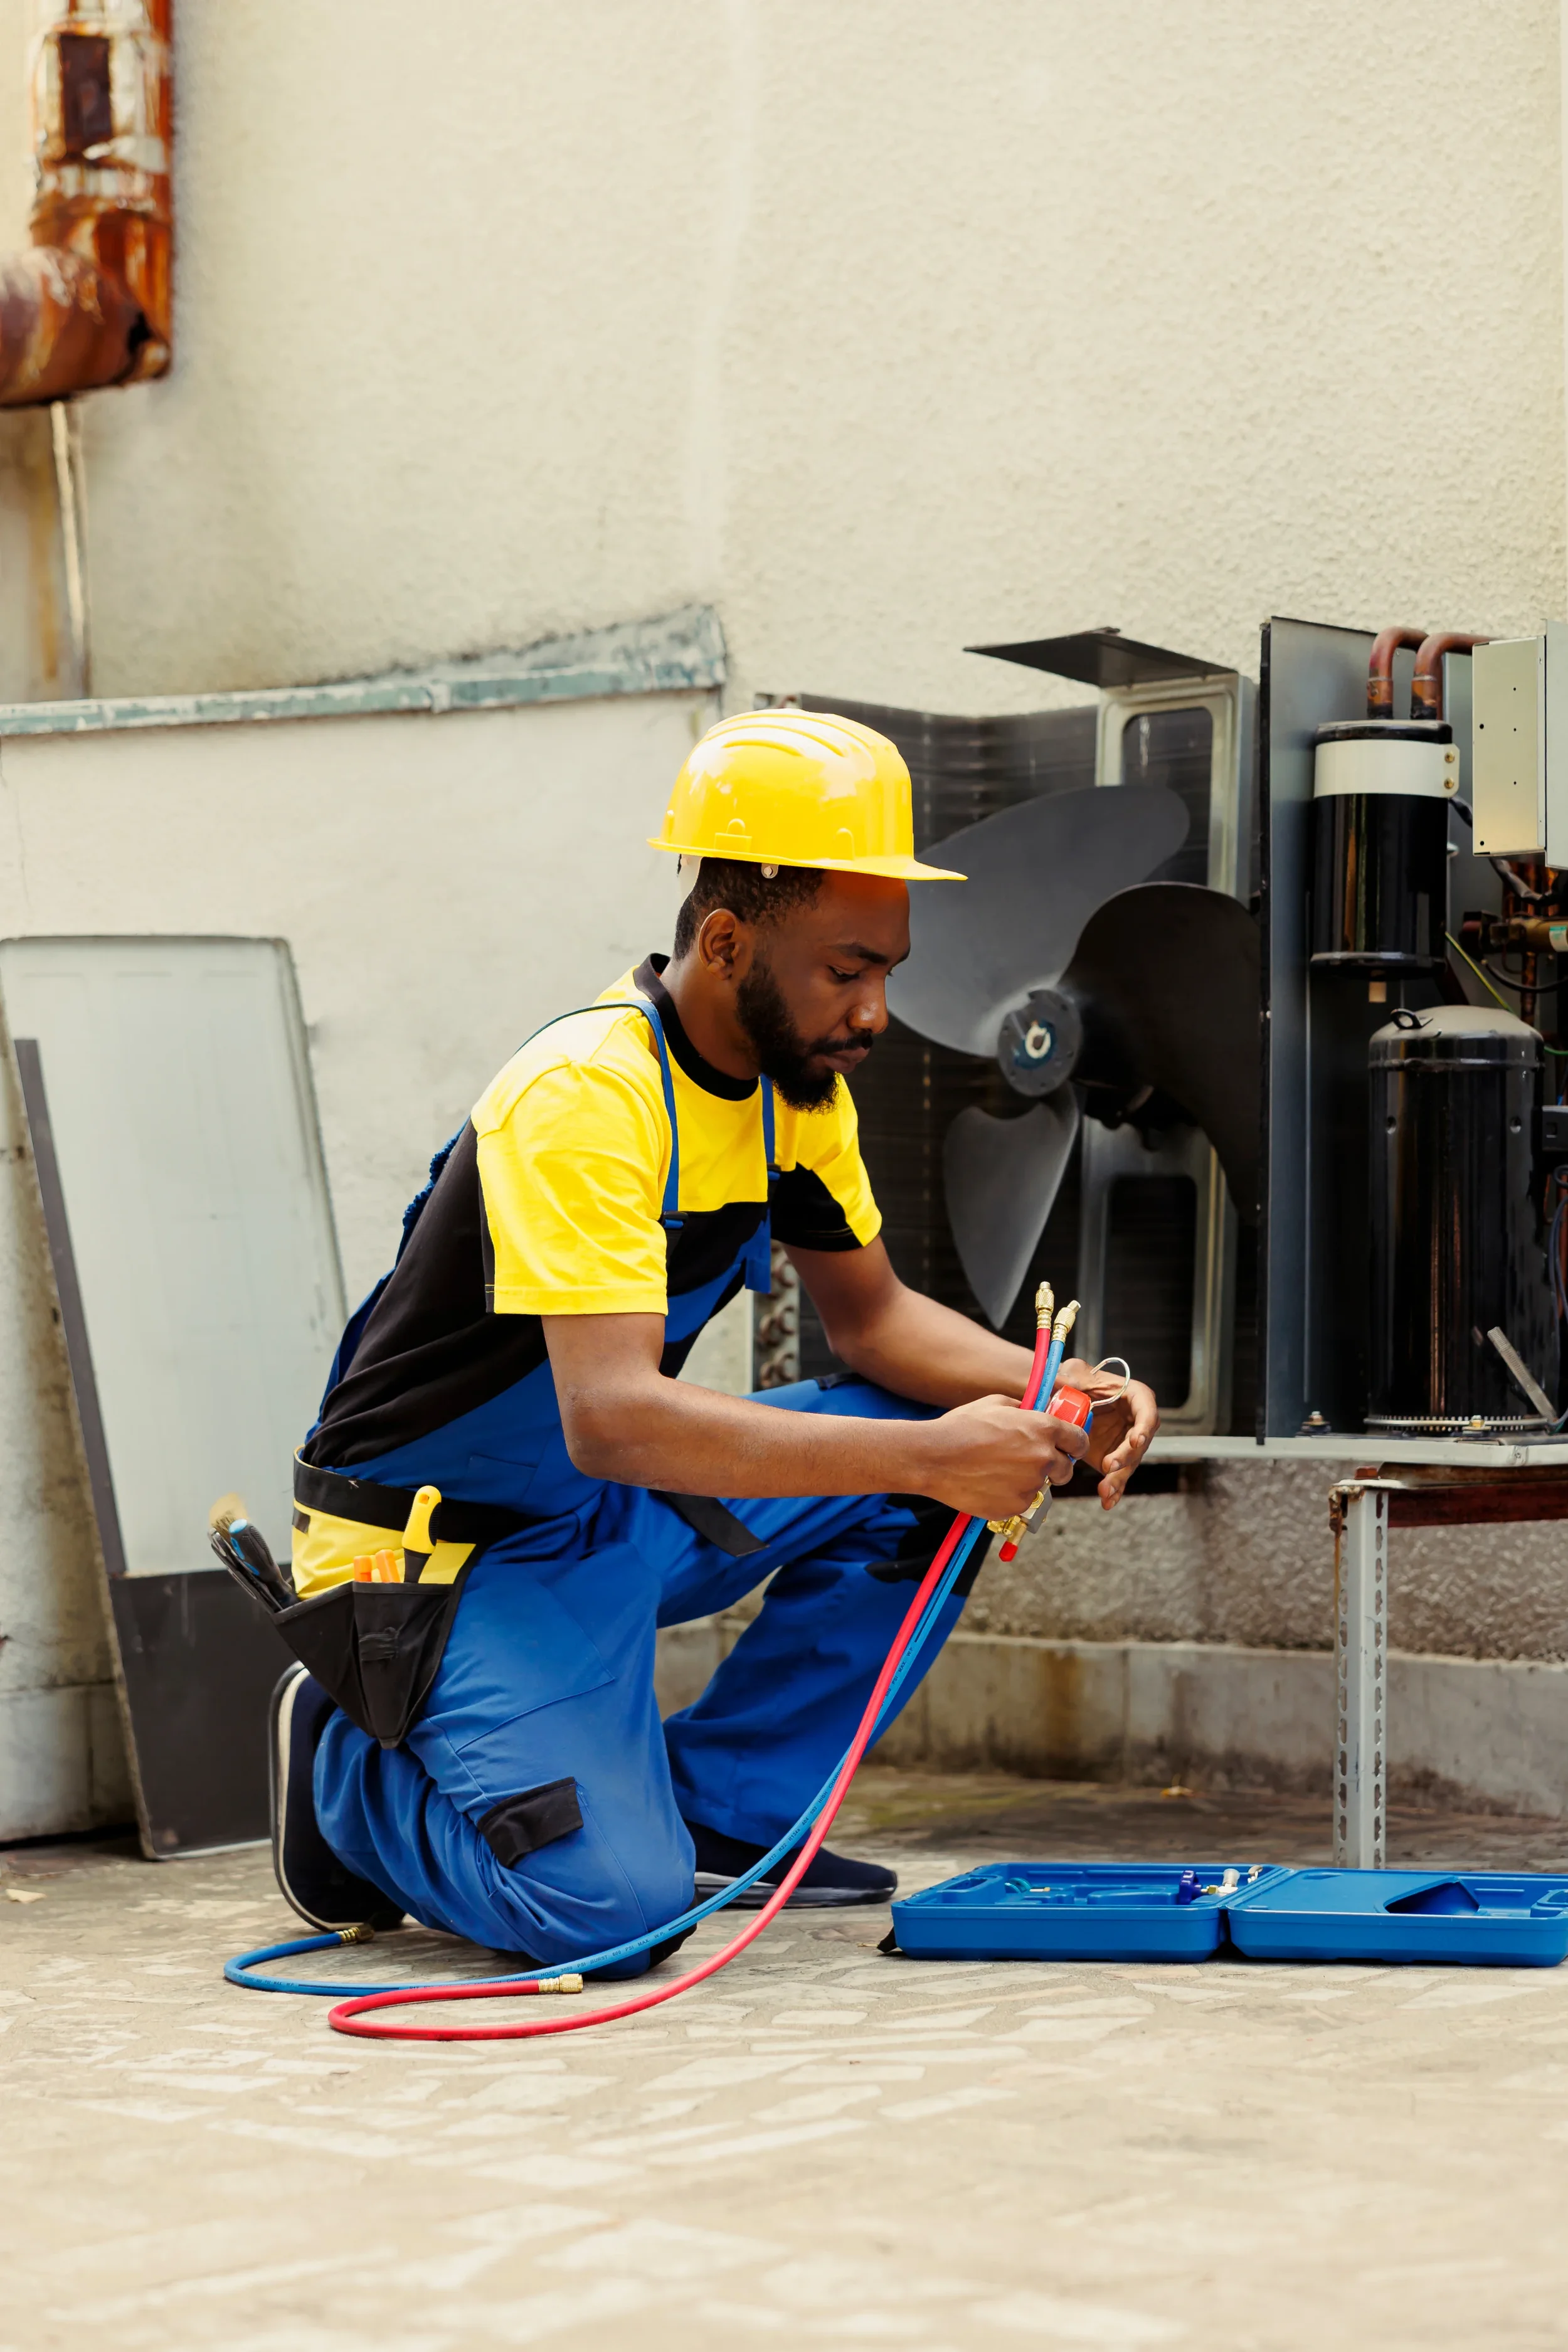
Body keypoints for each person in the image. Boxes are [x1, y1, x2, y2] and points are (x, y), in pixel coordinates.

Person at [269, 709, 1158, 1971]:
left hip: (603, 1510)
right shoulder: (586, 1096)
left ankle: (727, 1812)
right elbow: (614, 1415)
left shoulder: (799, 1093)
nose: (873, 1012)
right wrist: (925, 1457)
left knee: (964, 1464)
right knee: (608, 1915)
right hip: (443, 1552)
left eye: (888, 972)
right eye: (847, 969)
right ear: (730, 939)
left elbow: (875, 1322)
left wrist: (1059, 1389)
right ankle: (344, 1782)